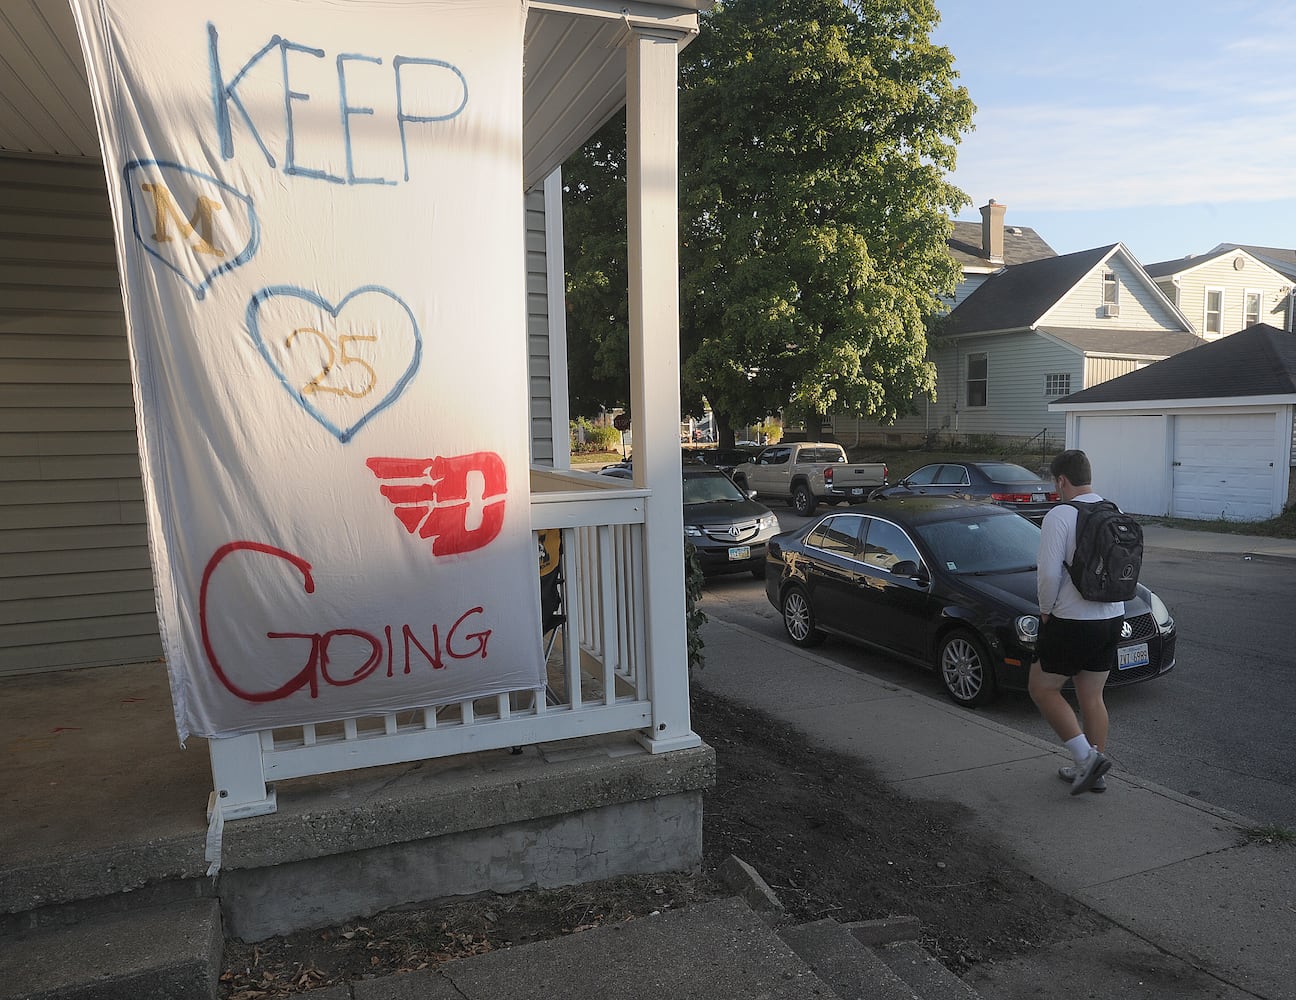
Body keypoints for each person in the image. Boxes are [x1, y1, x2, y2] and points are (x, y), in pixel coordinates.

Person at [1031, 449, 1124, 795]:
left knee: (1041, 688)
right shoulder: (1113, 511)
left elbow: (1047, 572)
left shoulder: (1060, 514)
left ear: (1061, 480)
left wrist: (1045, 609)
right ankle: (1093, 773)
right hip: (1112, 616)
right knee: (1092, 696)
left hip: (1072, 620)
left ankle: (1086, 759)